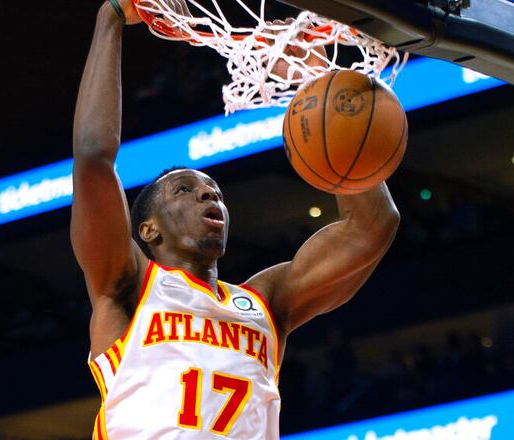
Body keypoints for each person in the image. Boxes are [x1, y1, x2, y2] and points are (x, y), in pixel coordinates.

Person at [71, 1, 400, 438]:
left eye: (215, 192)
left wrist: (319, 88)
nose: (209, 193)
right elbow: (94, 158)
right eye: (184, 190)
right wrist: (110, 18)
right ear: (147, 229)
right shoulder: (128, 288)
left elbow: (371, 227)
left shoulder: (265, 302)